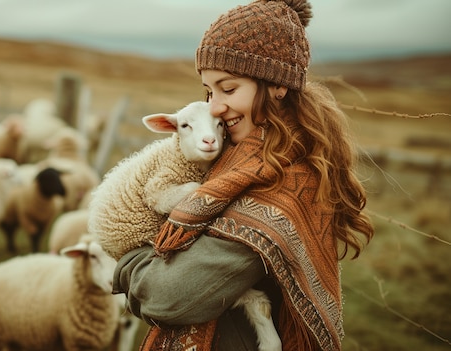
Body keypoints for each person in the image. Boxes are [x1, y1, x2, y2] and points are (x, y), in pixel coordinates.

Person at [112, 0, 375, 350]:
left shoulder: (275, 180)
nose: (215, 106)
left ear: (278, 85)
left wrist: (125, 262)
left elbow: (168, 297)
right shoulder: (237, 160)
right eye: (209, 90)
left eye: (229, 89)